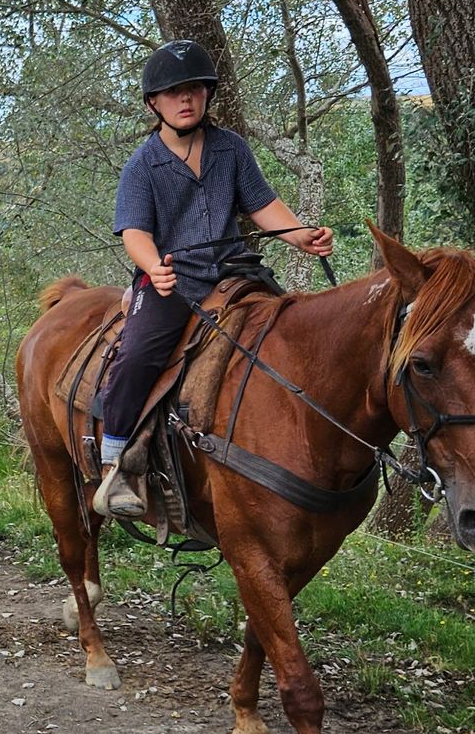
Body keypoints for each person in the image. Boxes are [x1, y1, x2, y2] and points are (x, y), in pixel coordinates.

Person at [93, 39, 333, 519]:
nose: (186, 99)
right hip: (170, 281)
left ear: (207, 95)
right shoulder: (143, 164)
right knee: (139, 353)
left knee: (291, 337)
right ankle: (115, 463)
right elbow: (134, 231)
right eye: (174, 92)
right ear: (153, 103)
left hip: (232, 273)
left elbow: (262, 205)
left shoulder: (231, 149)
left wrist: (301, 235)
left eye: (195, 90)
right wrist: (152, 265)